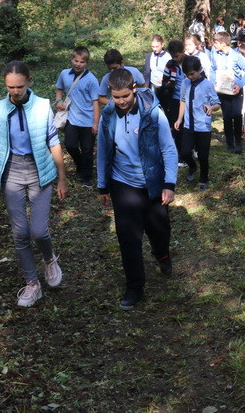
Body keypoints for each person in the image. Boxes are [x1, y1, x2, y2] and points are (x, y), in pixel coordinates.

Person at [0, 60, 68, 308]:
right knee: (20, 233)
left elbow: (53, 142)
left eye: (20, 86)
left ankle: (49, 259)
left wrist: (62, 178)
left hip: (39, 171)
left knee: (39, 231)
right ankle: (32, 284)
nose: (15, 91)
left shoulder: (42, 106)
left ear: (29, 81)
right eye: (10, 87)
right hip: (11, 172)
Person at [96, 68, 178, 310]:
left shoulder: (153, 113)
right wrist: (102, 185)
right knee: (128, 237)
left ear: (134, 89)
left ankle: (162, 254)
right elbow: (103, 151)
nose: (121, 101)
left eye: (125, 96)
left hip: (152, 182)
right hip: (122, 182)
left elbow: (168, 148)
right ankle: (134, 286)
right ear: (110, 93)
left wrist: (169, 184)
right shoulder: (108, 115)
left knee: (159, 229)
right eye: (116, 97)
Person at [173, 55, 220, 192]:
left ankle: (203, 179)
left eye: (192, 74)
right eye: (187, 75)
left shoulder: (207, 85)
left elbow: (217, 103)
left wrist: (211, 108)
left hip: (203, 126)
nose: (190, 77)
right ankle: (192, 166)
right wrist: (179, 119)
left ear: (200, 70)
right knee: (184, 152)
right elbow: (183, 100)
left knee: (203, 155)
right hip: (189, 125)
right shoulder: (185, 83)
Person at [54, 46, 99, 187]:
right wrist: (59, 101)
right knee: (70, 145)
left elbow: (96, 102)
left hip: (88, 120)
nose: (78, 64)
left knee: (87, 149)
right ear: (71, 59)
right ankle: (80, 165)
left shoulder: (91, 80)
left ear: (86, 63)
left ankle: (87, 176)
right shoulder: (64, 74)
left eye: (82, 62)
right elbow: (59, 88)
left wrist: (95, 123)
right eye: (76, 61)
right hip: (72, 118)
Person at [209, 31, 245, 154]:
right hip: (222, 91)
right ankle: (230, 144)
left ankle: (238, 142)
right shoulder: (215, 55)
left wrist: (240, 85)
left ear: (223, 44)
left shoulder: (236, 56)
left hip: (235, 91)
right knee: (227, 117)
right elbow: (212, 70)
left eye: (216, 43)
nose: (214, 45)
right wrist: (213, 83)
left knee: (237, 115)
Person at [143, 35, 171, 100]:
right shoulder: (150, 56)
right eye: (153, 47)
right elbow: (147, 72)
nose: (155, 49)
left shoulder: (168, 57)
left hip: (164, 87)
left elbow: (172, 72)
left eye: (157, 46)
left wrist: (165, 78)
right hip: (153, 85)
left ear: (162, 45)